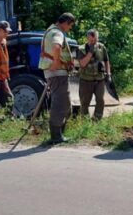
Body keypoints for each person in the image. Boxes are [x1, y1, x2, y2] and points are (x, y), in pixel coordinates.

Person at [38, 12, 76, 143]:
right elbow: (56, 46)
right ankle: (56, 136)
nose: (70, 28)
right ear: (65, 23)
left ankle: (59, 133)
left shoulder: (51, 30)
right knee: (60, 103)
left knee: (65, 104)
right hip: (57, 73)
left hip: (57, 73)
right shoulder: (57, 32)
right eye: (70, 25)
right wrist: (56, 62)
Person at [78, 29, 111, 120]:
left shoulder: (101, 47)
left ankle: (97, 118)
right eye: (91, 40)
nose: (94, 42)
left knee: (100, 100)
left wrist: (108, 74)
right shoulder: (81, 49)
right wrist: (90, 52)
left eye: (95, 39)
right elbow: (82, 64)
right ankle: (84, 120)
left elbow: (106, 60)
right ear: (87, 38)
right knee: (85, 102)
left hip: (99, 79)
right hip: (86, 80)